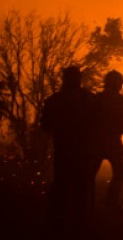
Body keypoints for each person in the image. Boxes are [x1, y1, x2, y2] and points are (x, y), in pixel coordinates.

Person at [40, 66, 95, 235]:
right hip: (82, 151)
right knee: (81, 187)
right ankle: (79, 224)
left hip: (63, 150)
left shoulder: (54, 100)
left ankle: (56, 224)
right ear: (78, 79)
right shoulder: (89, 99)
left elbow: (45, 126)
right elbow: (100, 122)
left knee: (61, 184)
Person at [93, 70, 123, 212]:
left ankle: (86, 200)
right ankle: (110, 201)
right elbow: (115, 122)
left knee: (90, 173)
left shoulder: (97, 99)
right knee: (120, 171)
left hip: (96, 141)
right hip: (111, 142)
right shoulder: (121, 101)